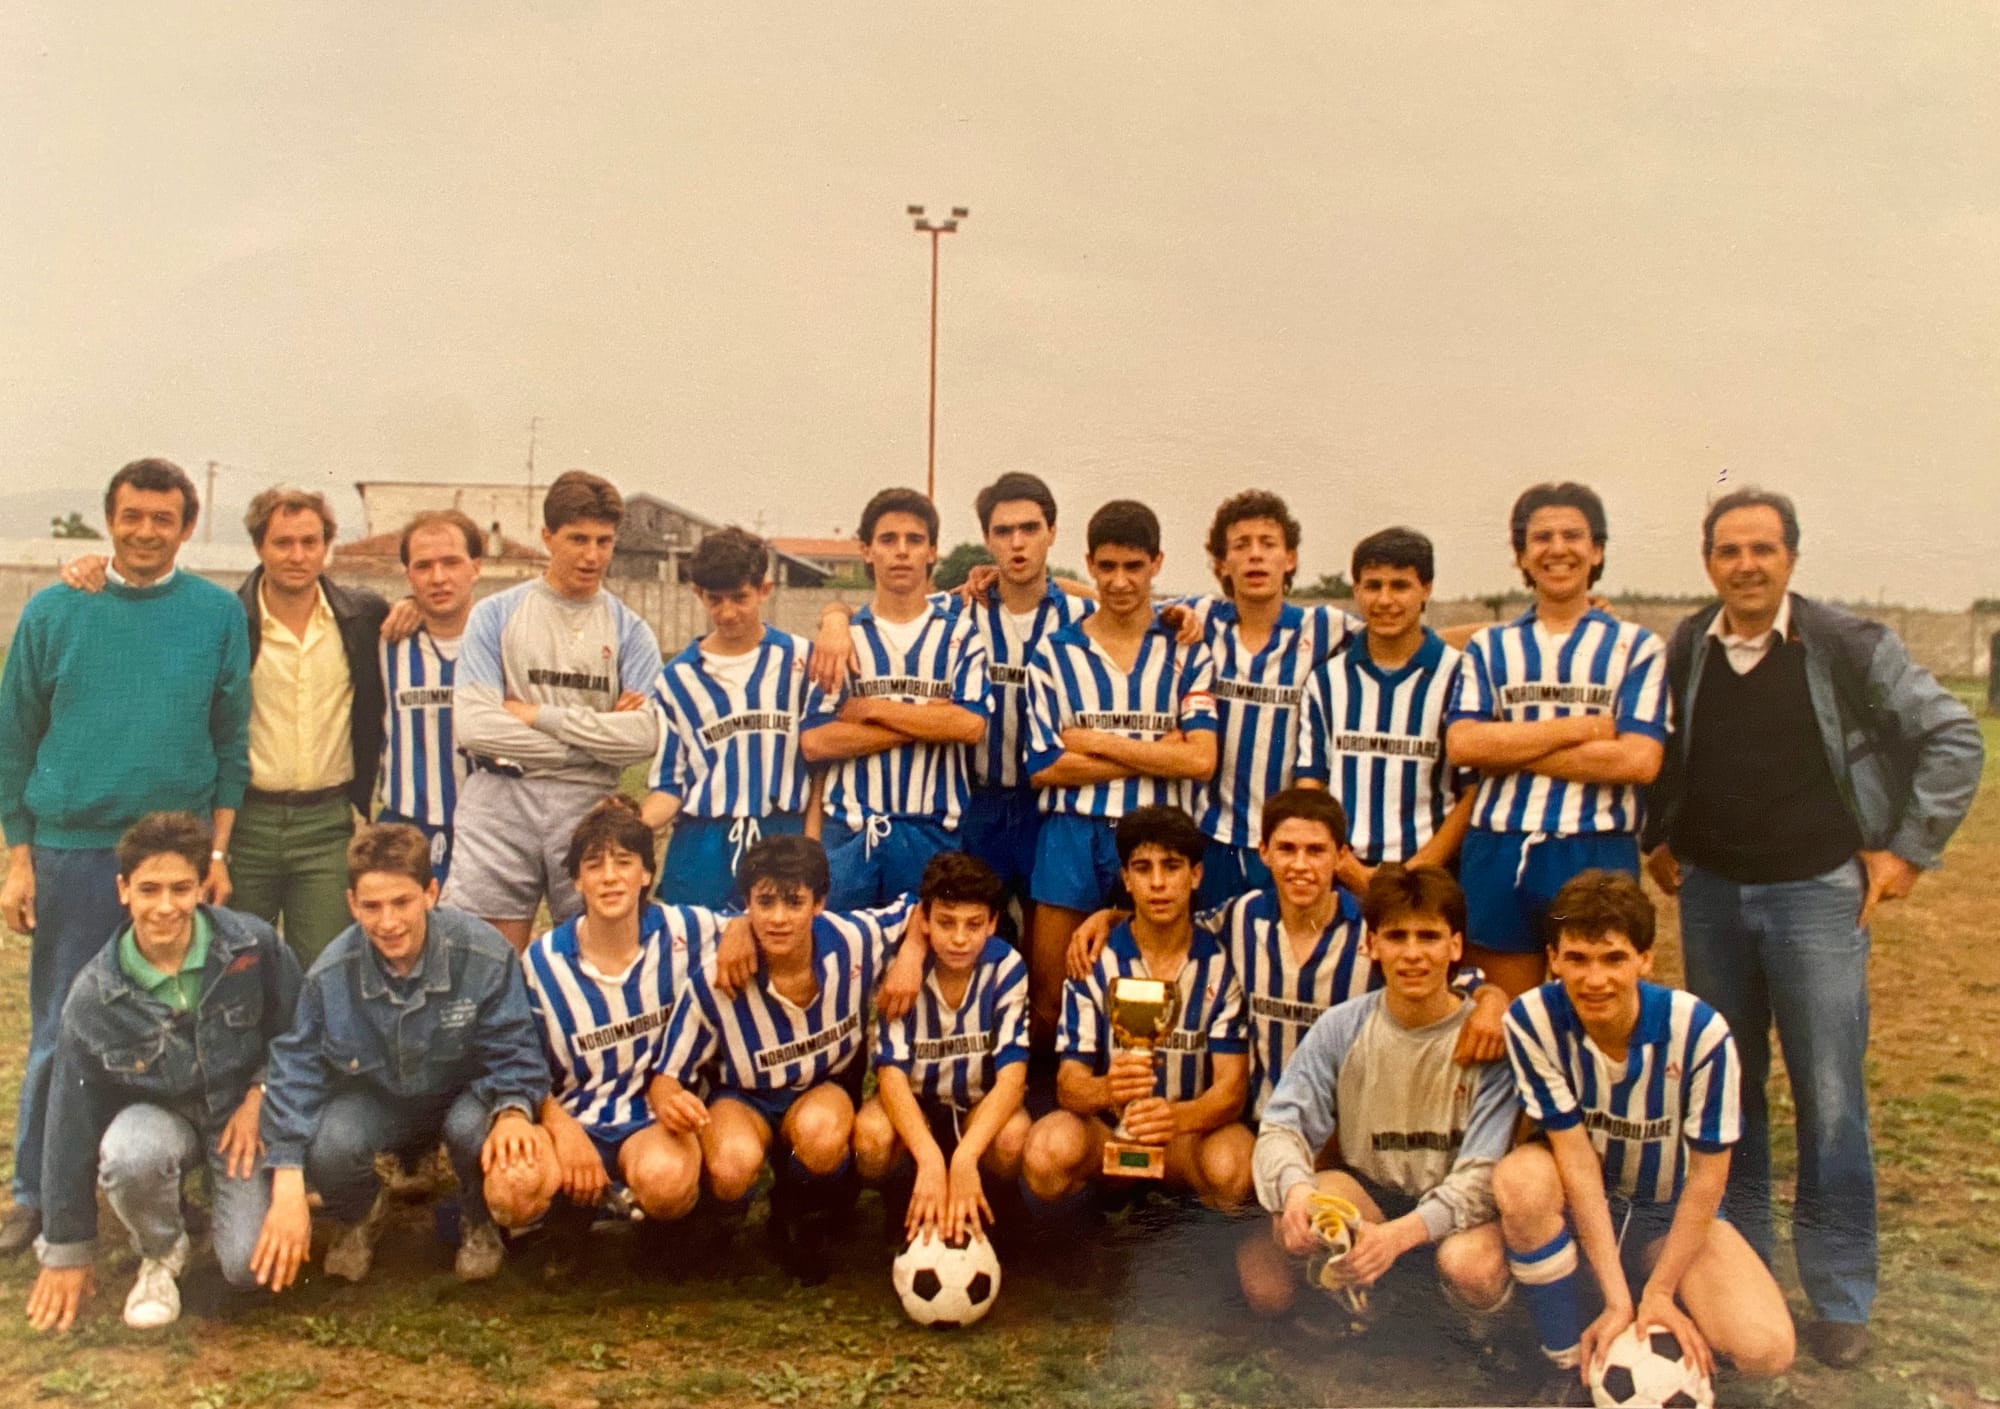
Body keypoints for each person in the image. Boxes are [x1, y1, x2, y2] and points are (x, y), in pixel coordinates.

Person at [1641, 487, 1984, 1369]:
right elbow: (1660, 752)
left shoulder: (1843, 643)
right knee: (1726, 1095)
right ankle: (1741, 1277)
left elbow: (1954, 736)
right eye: (1728, 550)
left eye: (1763, 548)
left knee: (1830, 1100)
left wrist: (1906, 851)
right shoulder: (1689, 646)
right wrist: (1658, 834)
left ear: (1791, 555)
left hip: (1817, 898)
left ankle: (1839, 1294)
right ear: (1708, 560)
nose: (1745, 565)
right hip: (1713, 897)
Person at [0, 458, 251, 1256]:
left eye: (163, 518)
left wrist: (215, 849)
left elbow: (230, 739)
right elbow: (14, 741)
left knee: (180, 1021)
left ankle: (173, 1181)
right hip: (72, 850)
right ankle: (36, 1192)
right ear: (109, 519)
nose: (146, 531)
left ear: (188, 525)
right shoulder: (53, 610)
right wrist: (17, 856)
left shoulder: (215, 614)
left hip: (175, 859)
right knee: (60, 1027)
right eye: (132, 516)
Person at [1494, 870, 1794, 1395]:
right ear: (1554, 958)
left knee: (1766, 1349)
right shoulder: (1532, 1020)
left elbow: (1707, 1177)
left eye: (1613, 959)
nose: (1595, 979)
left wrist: (1659, 1289)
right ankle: (1565, 1361)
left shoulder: (1700, 1033)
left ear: (1645, 960)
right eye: (1578, 959)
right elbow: (1576, 1158)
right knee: (1520, 1179)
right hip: (1587, 1205)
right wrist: (1616, 1295)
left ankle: (1664, 1322)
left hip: (1668, 1215)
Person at [1067, 788, 1507, 1120]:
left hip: (1344, 1124)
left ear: (1340, 857)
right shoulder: (1241, 917)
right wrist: (1109, 917)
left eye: (1316, 851)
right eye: (1287, 850)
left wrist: (1492, 1002)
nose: (1300, 865)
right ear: (1264, 854)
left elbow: (1452, 979)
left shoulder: (1372, 931)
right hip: (1264, 1120)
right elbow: (1167, 920)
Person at [25, 813, 301, 1332]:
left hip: (238, 1119)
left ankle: (232, 1216)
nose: (166, 906)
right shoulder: (94, 995)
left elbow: (298, 1033)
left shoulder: (252, 946)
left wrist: (260, 1091)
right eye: (149, 890)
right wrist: (67, 1248)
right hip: (160, 1116)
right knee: (130, 1154)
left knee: (248, 1267)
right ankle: (161, 1250)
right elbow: (68, 1121)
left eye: (181, 888)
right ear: (123, 890)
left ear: (203, 888)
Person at [248, 823, 554, 1291]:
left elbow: (516, 1046)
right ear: (351, 904)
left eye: (402, 902)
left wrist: (513, 1108)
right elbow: (296, 1069)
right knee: (330, 1142)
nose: (388, 922)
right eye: (371, 906)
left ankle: (478, 1217)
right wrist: (288, 1171)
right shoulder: (330, 974)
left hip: (463, 1097)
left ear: (430, 893)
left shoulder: (484, 954)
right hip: (380, 1099)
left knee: (481, 1131)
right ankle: (362, 1212)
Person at [1242, 864, 1514, 1322]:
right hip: (1375, 1197)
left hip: (1456, 1218)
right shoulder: (1342, 1026)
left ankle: (1472, 1332)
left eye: (1428, 937)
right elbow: (1282, 1125)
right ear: (1371, 945)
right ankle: (1376, 1307)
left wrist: (1401, 1236)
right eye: (1396, 937)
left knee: (1472, 1266)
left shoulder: (1487, 1038)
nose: (1412, 954)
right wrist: (1292, 1191)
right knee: (1303, 1219)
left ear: (1455, 946)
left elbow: (1482, 1178)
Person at [650, 834, 924, 1282]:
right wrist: (670, 1103)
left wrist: (910, 953)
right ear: (747, 904)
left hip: (820, 1086)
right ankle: (719, 1223)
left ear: (819, 903)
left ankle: (800, 1214)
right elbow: (667, 1077)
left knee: (821, 1135)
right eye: (764, 902)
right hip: (745, 1097)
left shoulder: (853, 941)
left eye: (794, 903)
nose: (778, 918)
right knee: (732, 1162)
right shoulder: (717, 975)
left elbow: (917, 907)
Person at [1444, 483, 1667, 996]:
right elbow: (1466, 746)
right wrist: (1581, 728)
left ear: (1597, 550)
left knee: (1591, 1009)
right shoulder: (1490, 646)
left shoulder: (1636, 646)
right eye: (1541, 537)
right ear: (1522, 554)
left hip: (1597, 849)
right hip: (1500, 847)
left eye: (1573, 535)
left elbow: (1638, 761)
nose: (1558, 548)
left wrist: (1511, 748)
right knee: (1504, 1016)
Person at [1023, 499, 1218, 1046]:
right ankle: (1052, 1115)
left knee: (1147, 985)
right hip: (1071, 834)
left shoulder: (1185, 649)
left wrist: (1093, 742)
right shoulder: (1055, 655)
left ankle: (1136, 1115)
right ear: (1089, 563)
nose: (1119, 581)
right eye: (1107, 567)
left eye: (1133, 567)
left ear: (1156, 563)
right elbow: (1044, 767)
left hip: (1156, 837)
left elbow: (1201, 759)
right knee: (1054, 989)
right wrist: (1158, 750)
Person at [445, 471, 664, 950]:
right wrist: (594, 745)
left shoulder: (630, 629)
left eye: (604, 541)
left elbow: (645, 738)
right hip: (501, 796)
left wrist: (537, 715)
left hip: (586, 805)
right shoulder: (496, 614)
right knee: (489, 959)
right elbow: (476, 726)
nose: (592, 555)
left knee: (591, 952)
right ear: (547, 538)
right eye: (577, 539)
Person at [1021, 806, 1252, 1212]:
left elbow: (1230, 1091)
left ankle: (1186, 1233)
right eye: (1143, 869)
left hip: (1184, 1139)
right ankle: (1089, 1226)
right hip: (1111, 1138)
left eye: (1172, 867)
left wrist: (1174, 1118)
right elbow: (1068, 1084)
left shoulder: (1220, 962)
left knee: (1235, 1166)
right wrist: (1107, 1088)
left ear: (1196, 875)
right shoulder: (1094, 959)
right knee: (1046, 1151)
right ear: (1126, 879)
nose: (1158, 883)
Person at [515, 797, 716, 1232]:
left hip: (651, 1119)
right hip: (574, 1118)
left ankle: (668, 1229)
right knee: (513, 1189)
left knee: (667, 1182)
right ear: (576, 880)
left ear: (646, 873)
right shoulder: (542, 962)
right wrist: (563, 1131)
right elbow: (523, 1065)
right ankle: (568, 1217)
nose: (609, 878)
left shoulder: (686, 931)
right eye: (593, 865)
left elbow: (752, 926)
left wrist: (738, 937)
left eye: (623, 862)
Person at [800, 488, 989, 911]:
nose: (901, 552)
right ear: (866, 551)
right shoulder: (846, 639)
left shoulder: (959, 636)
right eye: (888, 540)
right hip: (850, 836)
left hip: (933, 836)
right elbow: (815, 742)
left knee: (920, 969)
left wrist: (870, 710)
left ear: (933, 550)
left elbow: (969, 726)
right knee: (844, 967)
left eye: (914, 540)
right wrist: (927, 724)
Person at [229, 488, 391, 964]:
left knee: (325, 968)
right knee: (239, 967)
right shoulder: (229, 619)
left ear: (327, 546)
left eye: (310, 542)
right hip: (247, 822)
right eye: (282, 543)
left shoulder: (362, 617)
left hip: (326, 825)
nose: (297, 556)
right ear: (259, 546)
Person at [1177, 491, 1360, 909]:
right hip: (1212, 835)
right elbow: (1116, 601)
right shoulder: (1202, 617)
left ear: (1290, 558)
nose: (1255, 556)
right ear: (1222, 563)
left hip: (1284, 845)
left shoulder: (1325, 627)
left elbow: (1407, 636)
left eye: (1268, 543)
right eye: (1242, 545)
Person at [854, 852, 1031, 1244]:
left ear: (992, 924)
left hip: (975, 1107)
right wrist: (932, 1159)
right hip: (918, 1108)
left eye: (973, 924)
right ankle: (903, 1200)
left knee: (1015, 1135)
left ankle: (991, 1205)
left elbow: (1012, 1080)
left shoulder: (1006, 968)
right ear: (925, 922)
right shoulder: (903, 974)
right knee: (870, 1135)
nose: (959, 938)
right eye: (946, 923)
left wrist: (965, 1158)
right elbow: (891, 1077)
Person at [643, 527, 816, 909]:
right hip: (705, 846)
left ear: (763, 590)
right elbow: (669, 785)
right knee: (700, 960)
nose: (727, 612)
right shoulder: (677, 679)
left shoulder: (802, 662)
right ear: (697, 594)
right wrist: (632, 829)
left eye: (740, 598)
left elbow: (822, 765)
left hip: (783, 836)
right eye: (714, 600)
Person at [952, 473, 1094, 934]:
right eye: (1003, 531)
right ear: (986, 540)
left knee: (1045, 950)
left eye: (1030, 529)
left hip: (1050, 805)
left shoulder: (1085, 617)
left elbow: (1143, 612)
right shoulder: (957, 612)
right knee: (973, 944)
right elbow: (893, 612)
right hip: (978, 801)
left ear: (1051, 533)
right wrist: (834, 617)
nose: (1018, 543)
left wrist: (1181, 615)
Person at [1297, 527, 1476, 891]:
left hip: (1429, 878)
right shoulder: (1327, 681)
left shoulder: (1461, 678)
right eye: (1373, 585)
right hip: (1341, 875)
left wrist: (1415, 870)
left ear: (1425, 589)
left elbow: (1472, 794)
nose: (1385, 599)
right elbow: (1311, 784)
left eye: (1400, 585)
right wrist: (1343, 865)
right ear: (1356, 590)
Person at [377, 510, 483, 885]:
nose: (438, 578)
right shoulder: (385, 638)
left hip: (486, 829)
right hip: (405, 826)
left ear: (476, 567)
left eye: (451, 562)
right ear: (409, 576)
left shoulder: (504, 639)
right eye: (424, 566)